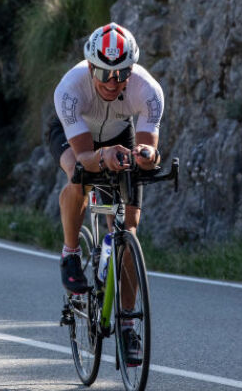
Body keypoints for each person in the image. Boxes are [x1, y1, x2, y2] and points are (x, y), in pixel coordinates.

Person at [48, 23, 163, 364]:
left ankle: (128, 324)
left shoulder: (148, 90)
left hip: (120, 134)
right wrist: (101, 158)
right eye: (104, 73)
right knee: (78, 177)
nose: (113, 82)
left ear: (132, 69)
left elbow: (149, 150)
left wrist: (148, 156)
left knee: (129, 227)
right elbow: (84, 157)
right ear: (89, 67)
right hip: (75, 138)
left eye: (121, 73)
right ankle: (70, 254)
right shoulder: (69, 90)